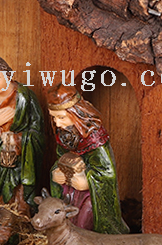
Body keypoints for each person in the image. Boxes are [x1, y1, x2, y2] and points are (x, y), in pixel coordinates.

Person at [46, 83, 129, 234]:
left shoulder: (94, 139)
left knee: (84, 219)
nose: (57, 123)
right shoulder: (64, 134)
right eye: (54, 117)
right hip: (70, 190)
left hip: (90, 196)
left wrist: (87, 182)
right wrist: (56, 172)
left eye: (61, 117)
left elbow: (107, 173)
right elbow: (61, 159)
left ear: (76, 114)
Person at [0, 54, 44, 216]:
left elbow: (37, 131)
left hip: (22, 158)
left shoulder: (25, 97)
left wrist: (17, 140)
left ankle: (21, 217)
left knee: (20, 195)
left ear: (7, 73)